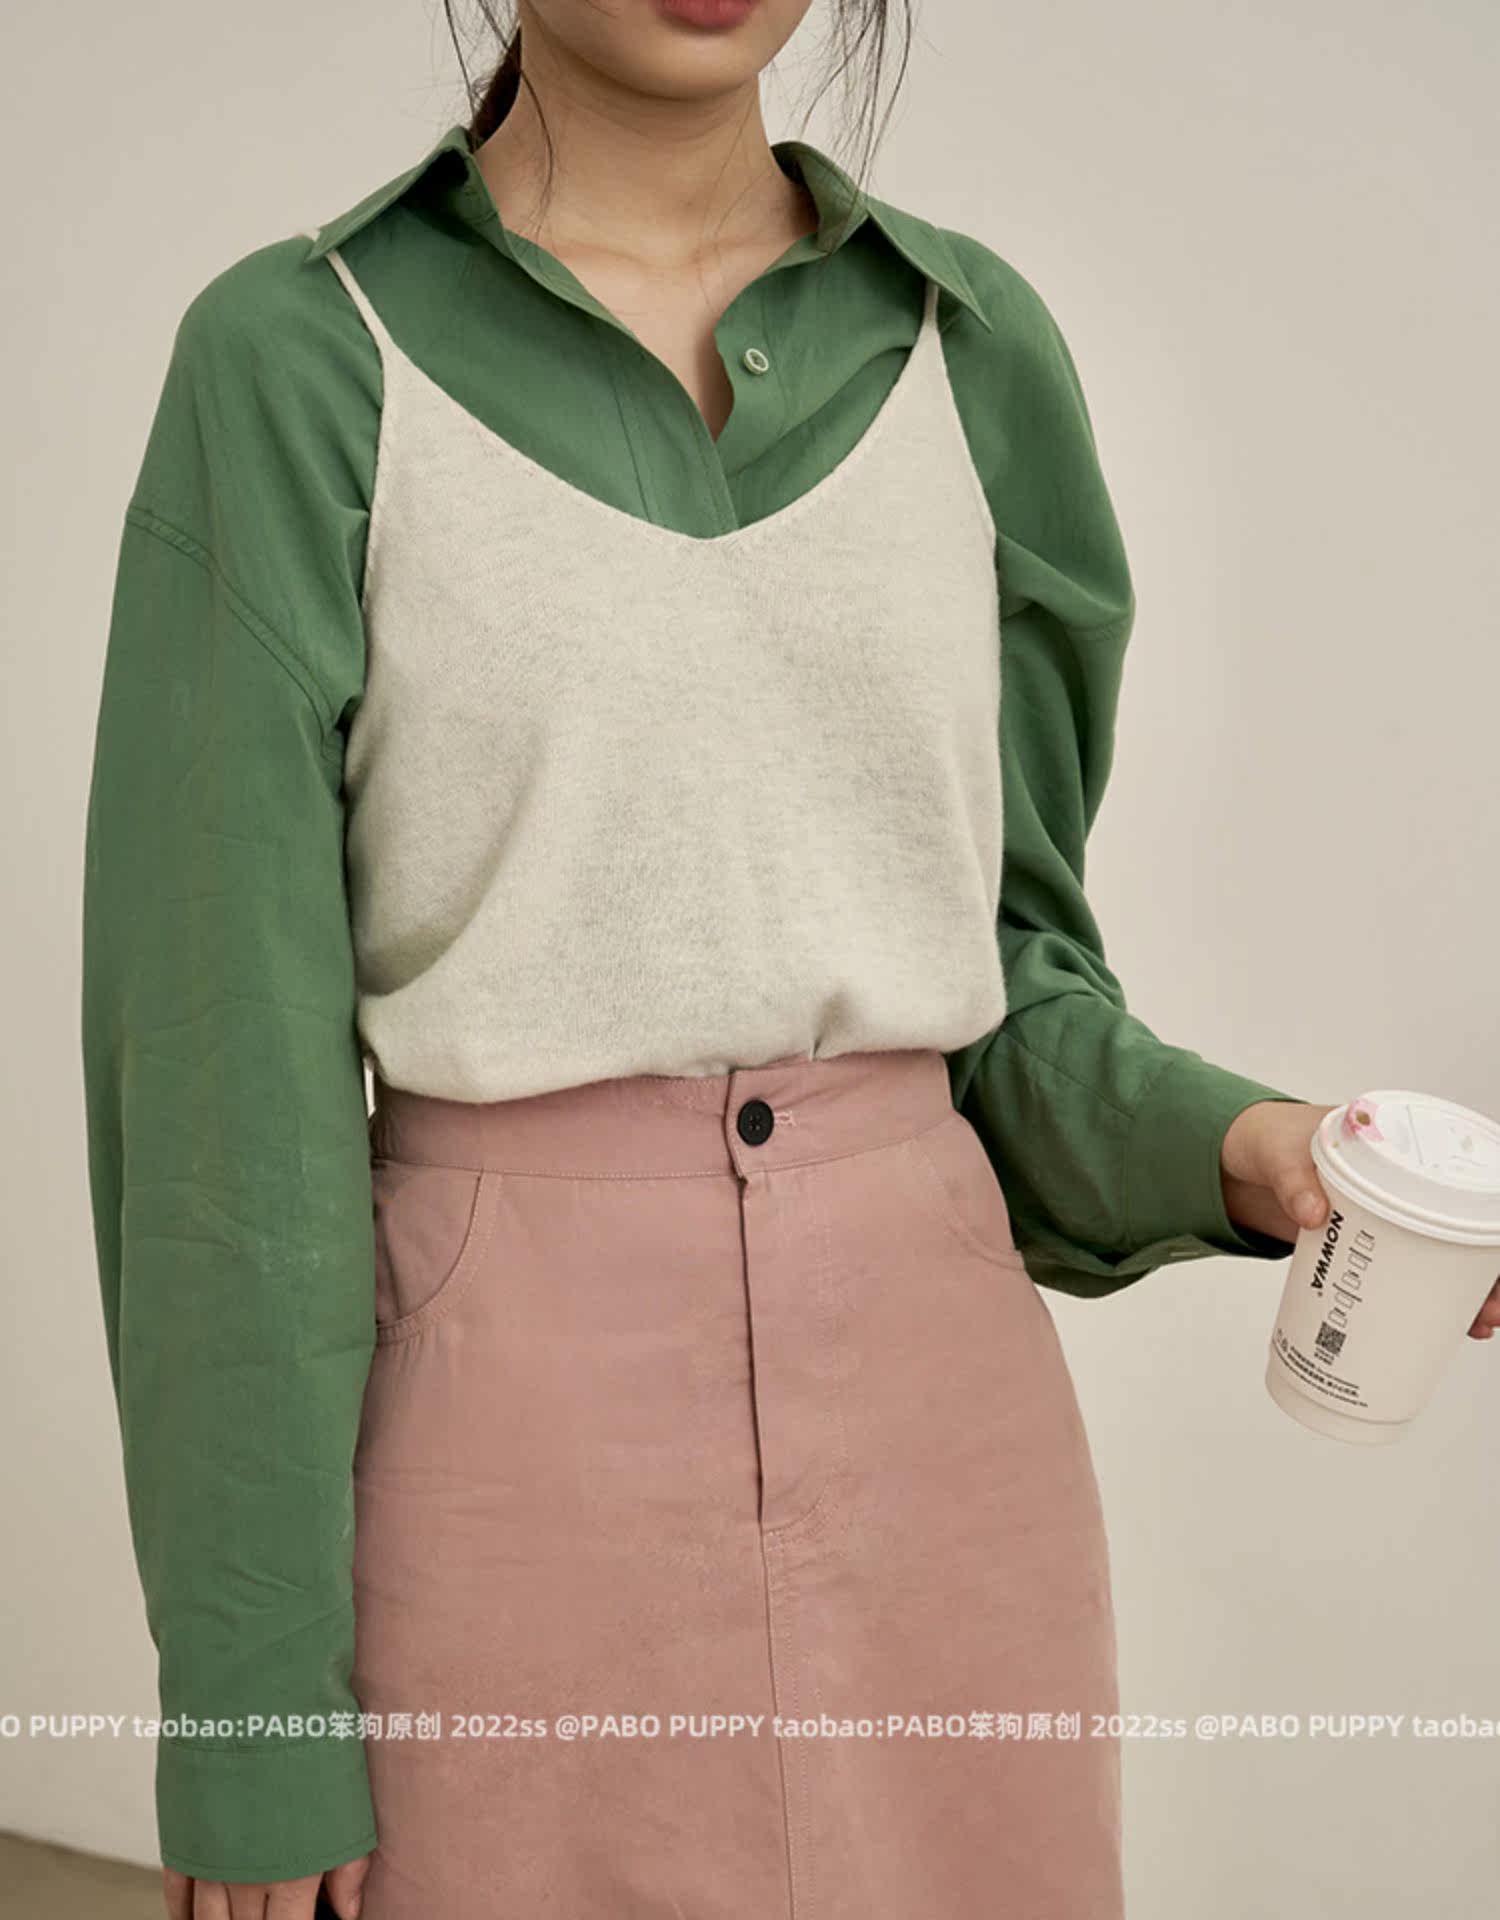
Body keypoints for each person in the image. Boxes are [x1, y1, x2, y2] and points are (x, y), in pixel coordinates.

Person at [82, 2, 1500, 1915]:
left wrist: (1253, 1149)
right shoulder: (298, 356)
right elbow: (219, 1095)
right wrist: (251, 1710)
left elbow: (1008, 985)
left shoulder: (974, 350)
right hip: (503, 1472)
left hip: (943, 1466)